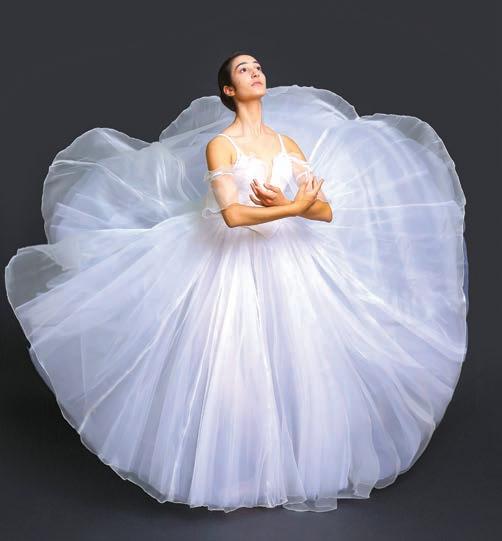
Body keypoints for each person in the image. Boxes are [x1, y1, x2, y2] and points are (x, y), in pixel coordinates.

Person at [4, 51, 469, 513]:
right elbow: (233, 216)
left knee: (300, 357)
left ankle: (294, 466)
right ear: (229, 90)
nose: (255, 72)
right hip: (228, 261)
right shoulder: (221, 145)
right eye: (244, 70)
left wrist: (290, 205)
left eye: (258, 67)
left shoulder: (288, 144)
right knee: (233, 361)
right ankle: (237, 471)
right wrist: (290, 206)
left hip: (290, 259)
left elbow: (325, 211)